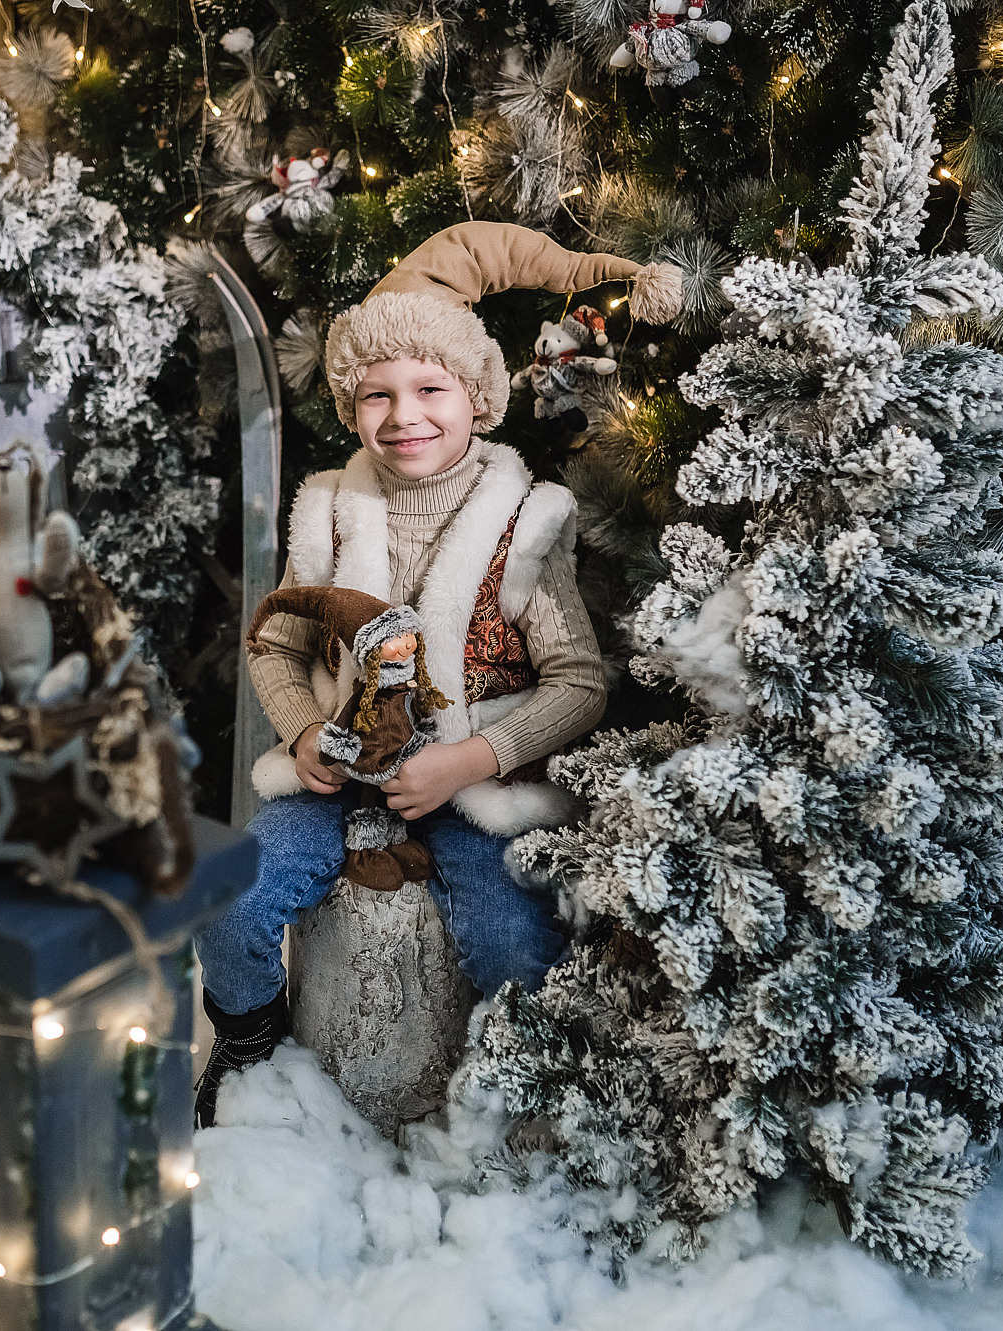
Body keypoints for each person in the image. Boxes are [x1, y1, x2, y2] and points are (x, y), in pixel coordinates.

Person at [191, 222, 682, 1127]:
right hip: (342, 771)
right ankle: (250, 1040)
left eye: (429, 388)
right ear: (350, 405)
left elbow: (580, 682)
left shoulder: (523, 522)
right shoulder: (329, 511)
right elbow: (277, 646)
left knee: (512, 942)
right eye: (375, 394)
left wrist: (468, 761)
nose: (402, 415)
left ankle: (519, 1096)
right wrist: (304, 732)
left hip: (467, 782)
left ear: (478, 394)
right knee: (229, 903)